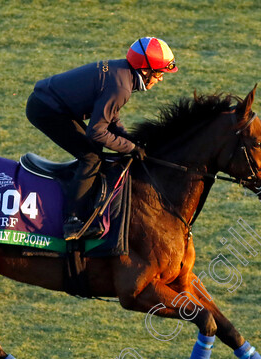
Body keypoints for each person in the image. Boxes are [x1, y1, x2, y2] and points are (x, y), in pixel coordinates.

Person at [26, 37, 178, 240]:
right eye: (159, 73)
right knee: (91, 157)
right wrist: (130, 147)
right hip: (46, 110)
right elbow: (97, 132)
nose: (160, 79)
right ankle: (72, 221)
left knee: (95, 152)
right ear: (145, 70)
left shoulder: (122, 73)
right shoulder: (121, 88)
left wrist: (129, 139)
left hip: (54, 104)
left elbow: (110, 118)